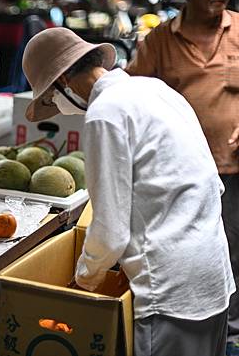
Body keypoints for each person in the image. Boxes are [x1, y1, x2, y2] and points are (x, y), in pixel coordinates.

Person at [22, 27, 235, 356]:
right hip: (212, 275)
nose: (56, 106)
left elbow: (111, 232)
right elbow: (210, 182)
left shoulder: (105, 114)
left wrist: (83, 283)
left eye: (50, 98)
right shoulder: (154, 89)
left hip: (169, 292)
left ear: (62, 81)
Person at [125, 0, 239, 352]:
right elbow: (130, 100)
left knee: (232, 255)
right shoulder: (158, 42)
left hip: (233, 170)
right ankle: (190, 331)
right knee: (190, 262)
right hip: (177, 180)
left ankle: (230, 333)